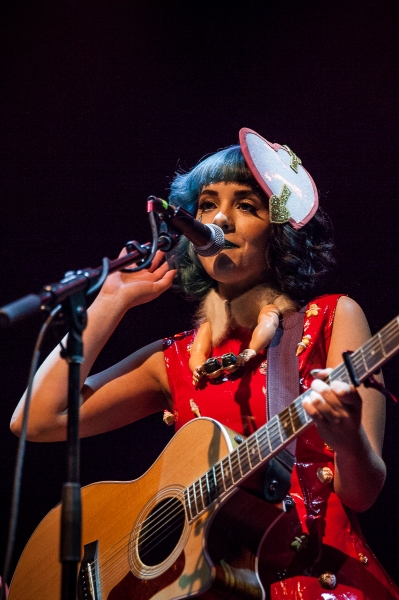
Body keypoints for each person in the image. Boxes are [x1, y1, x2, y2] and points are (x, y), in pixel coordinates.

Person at [10, 128, 399, 598]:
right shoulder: (172, 358)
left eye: (247, 206)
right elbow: (37, 420)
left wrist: (349, 436)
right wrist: (109, 302)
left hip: (321, 582)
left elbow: (362, 493)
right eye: (207, 204)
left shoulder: (331, 318)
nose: (221, 219)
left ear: (279, 233)